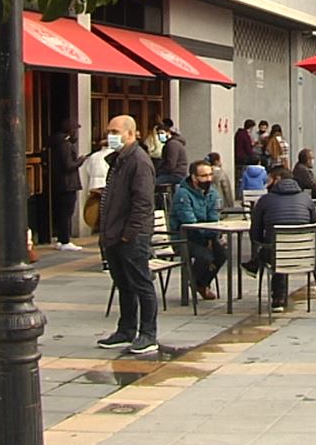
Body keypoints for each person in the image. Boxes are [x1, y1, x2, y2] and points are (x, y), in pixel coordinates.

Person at [96, 115, 159, 355]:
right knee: (123, 283)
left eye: (115, 131)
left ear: (131, 134)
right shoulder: (119, 160)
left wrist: (129, 233)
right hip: (113, 233)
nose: (110, 135)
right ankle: (126, 329)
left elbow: (143, 202)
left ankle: (148, 333)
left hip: (131, 235)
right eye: (109, 130)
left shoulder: (138, 161)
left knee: (141, 283)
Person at [245, 166, 316, 312]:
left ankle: (277, 297)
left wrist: (260, 245)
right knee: (282, 248)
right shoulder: (306, 199)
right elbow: (313, 225)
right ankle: (276, 293)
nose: (266, 183)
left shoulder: (265, 200)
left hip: (276, 254)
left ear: (277, 179)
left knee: (275, 250)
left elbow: (255, 232)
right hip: (305, 254)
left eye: (268, 179)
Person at [170, 160, 226, 301]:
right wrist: (207, 237)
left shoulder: (212, 193)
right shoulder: (182, 194)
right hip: (184, 237)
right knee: (205, 257)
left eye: (210, 175)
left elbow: (214, 217)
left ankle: (201, 283)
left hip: (205, 234)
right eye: (203, 176)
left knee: (222, 254)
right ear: (194, 177)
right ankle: (196, 282)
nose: (208, 179)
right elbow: (189, 222)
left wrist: (213, 237)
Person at [49, 119, 86, 252]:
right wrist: (80, 161)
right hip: (68, 184)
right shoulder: (64, 144)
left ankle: (62, 238)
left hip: (61, 183)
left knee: (62, 211)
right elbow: (68, 165)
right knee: (66, 211)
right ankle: (65, 239)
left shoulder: (59, 143)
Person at [81, 137, 115, 234]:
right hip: (106, 185)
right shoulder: (113, 156)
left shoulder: (93, 156)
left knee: (95, 210)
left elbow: (87, 170)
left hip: (93, 184)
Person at [155, 121, 189, 186]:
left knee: (152, 183)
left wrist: (158, 172)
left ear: (168, 133)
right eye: (158, 134)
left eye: (162, 133)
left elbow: (170, 164)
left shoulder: (172, 144)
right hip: (178, 173)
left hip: (175, 175)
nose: (160, 136)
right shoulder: (173, 143)